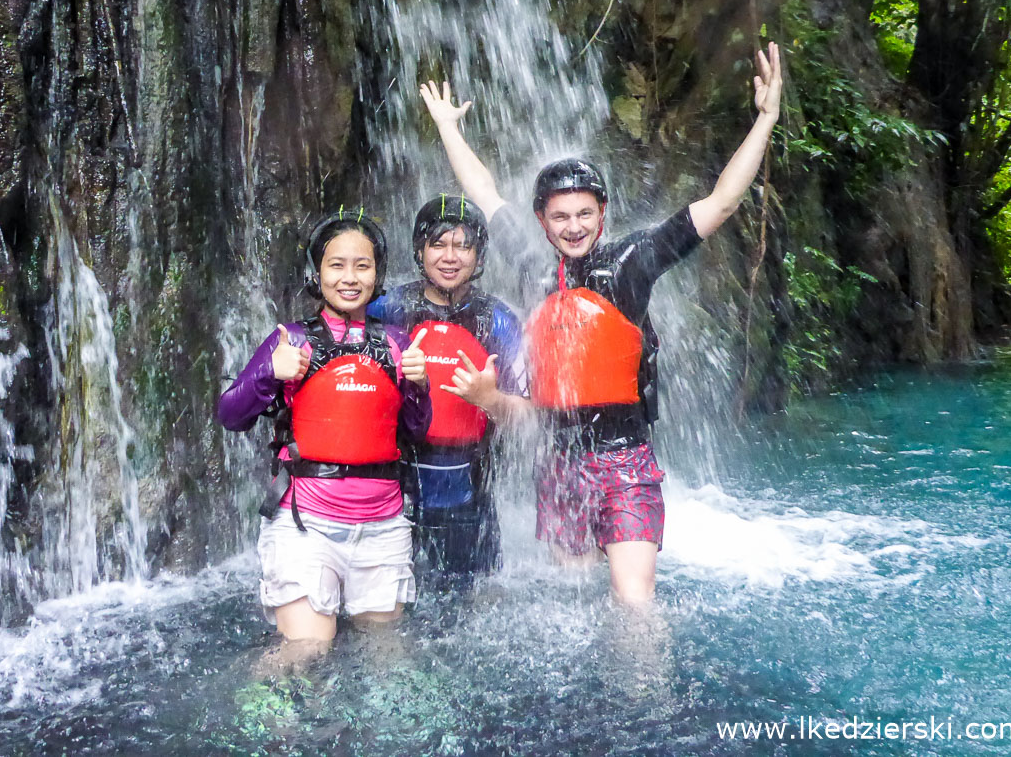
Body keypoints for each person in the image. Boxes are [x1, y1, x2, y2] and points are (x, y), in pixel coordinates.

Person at [418, 43, 783, 604]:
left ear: (602, 214)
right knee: (574, 603)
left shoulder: (633, 261)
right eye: (560, 216)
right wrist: (447, 126)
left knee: (633, 599)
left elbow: (722, 203)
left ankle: (646, 692)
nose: (573, 226)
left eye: (585, 213)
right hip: (559, 461)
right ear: (541, 221)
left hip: (625, 457)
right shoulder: (534, 264)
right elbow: (484, 192)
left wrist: (765, 119)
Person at [216, 208, 432, 657]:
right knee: (305, 654)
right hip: (305, 525)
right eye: (337, 265)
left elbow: (416, 430)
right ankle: (265, 727)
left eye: (362, 265)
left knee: (386, 660)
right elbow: (230, 415)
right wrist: (269, 375)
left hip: (382, 526)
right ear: (318, 273)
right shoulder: (291, 340)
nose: (349, 277)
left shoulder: (397, 342)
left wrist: (419, 387)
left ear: (377, 274)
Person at [366, 194, 527, 588]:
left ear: (479, 254)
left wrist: (489, 399)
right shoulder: (387, 310)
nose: (450, 256)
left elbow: (529, 415)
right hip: (393, 496)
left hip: (470, 500)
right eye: (438, 243)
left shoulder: (498, 322)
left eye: (463, 245)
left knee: (473, 613)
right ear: (420, 250)